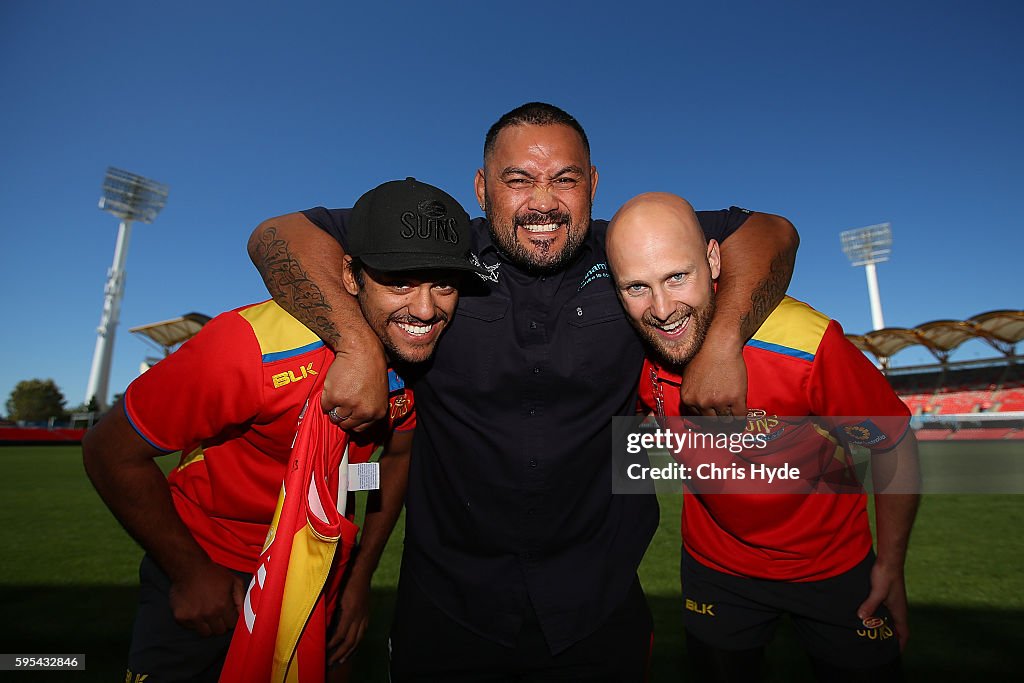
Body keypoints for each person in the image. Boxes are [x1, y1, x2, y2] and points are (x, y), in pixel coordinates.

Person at [247, 102, 800, 681]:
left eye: (566, 179)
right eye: (519, 180)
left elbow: (770, 230)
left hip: (597, 603)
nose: (543, 201)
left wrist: (723, 343)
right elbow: (277, 233)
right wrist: (355, 344)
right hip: (448, 604)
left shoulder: (635, 253)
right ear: (483, 189)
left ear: (593, 185)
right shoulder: (439, 252)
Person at [83, 178, 483, 683]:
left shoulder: (418, 356)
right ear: (351, 276)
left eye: (443, 284)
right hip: (212, 573)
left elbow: (397, 459)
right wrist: (189, 574)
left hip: (323, 576)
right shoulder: (248, 345)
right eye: (399, 282)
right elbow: (108, 450)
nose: (425, 309)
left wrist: (357, 580)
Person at [606, 192, 921, 682]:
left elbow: (892, 442)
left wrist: (891, 565)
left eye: (677, 277)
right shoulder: (635, 353)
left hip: (835, 568)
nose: (663, 309)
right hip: (716, 570)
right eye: (636, 287)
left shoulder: (804, 342)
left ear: (713, 259)